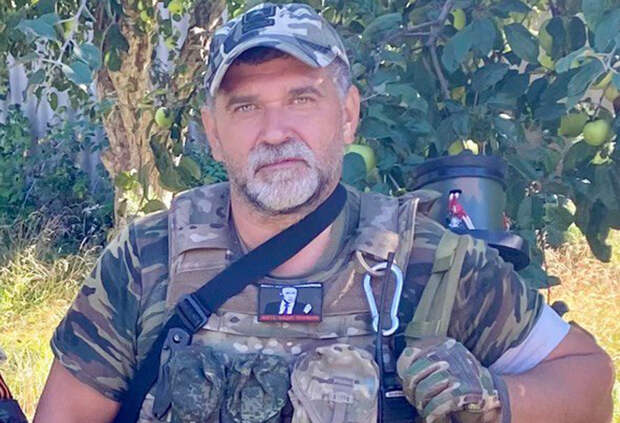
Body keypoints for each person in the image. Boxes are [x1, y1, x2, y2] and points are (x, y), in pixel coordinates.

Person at [34, 3, 614, 423]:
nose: (275, 131)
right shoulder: (148, 260)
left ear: (348, 114)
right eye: (246, 107)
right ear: (212, 132)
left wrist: (496, 399)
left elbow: (587, 379)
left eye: (302, 99)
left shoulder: (429, 263)